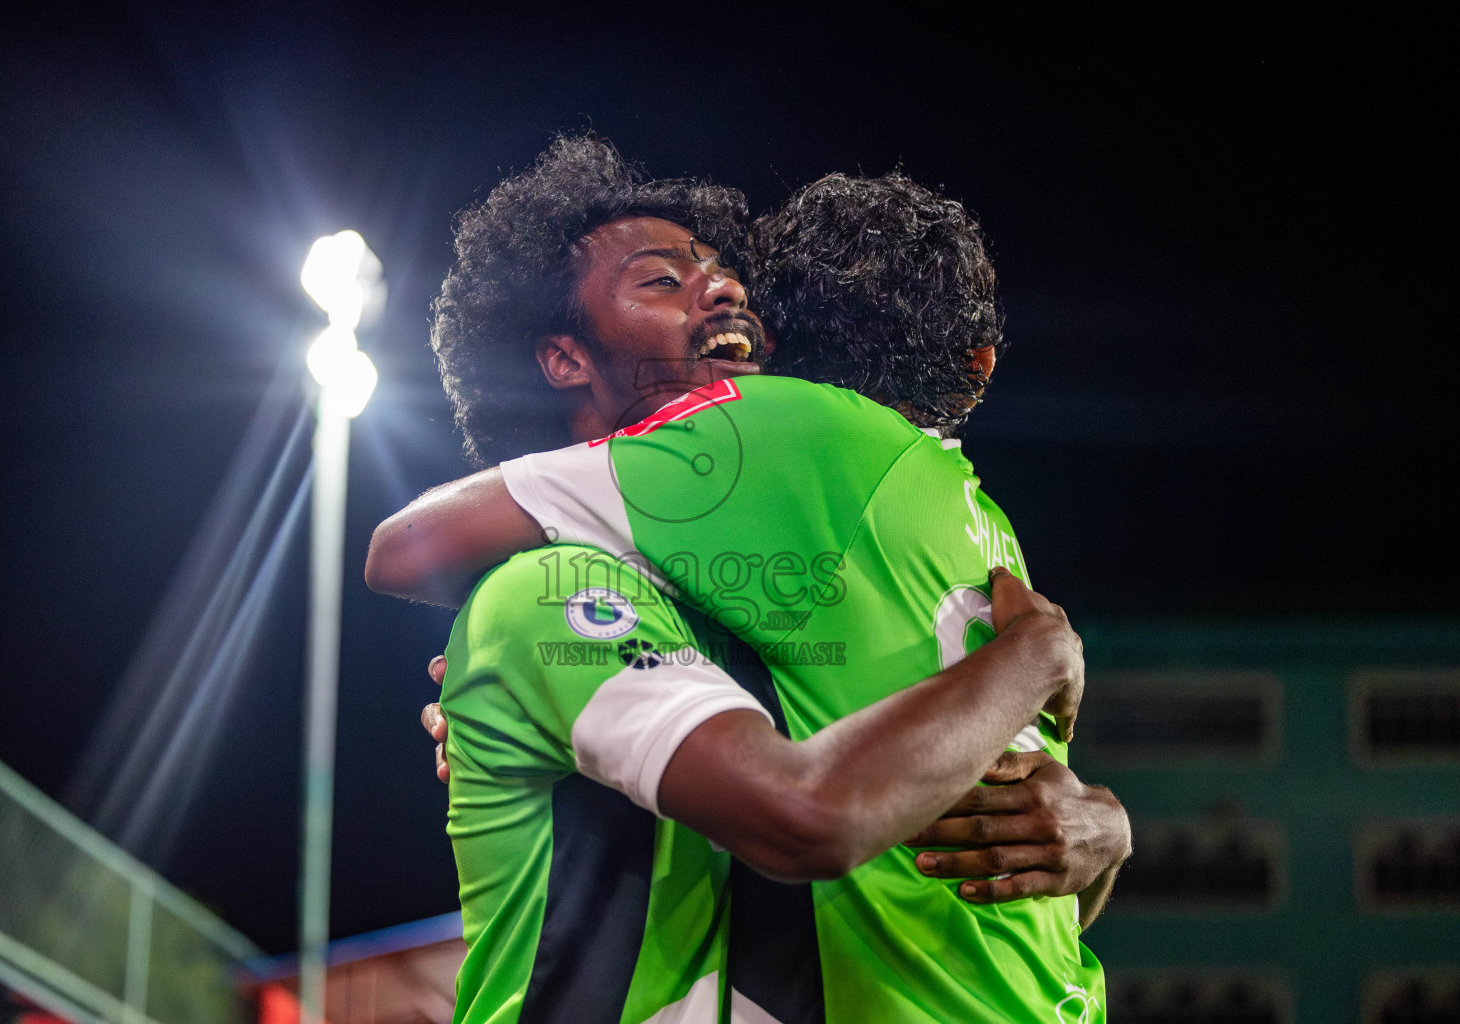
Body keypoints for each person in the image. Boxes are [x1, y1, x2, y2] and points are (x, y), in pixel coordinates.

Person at [368, 138, 1127, 1022]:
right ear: (565, 357)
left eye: (724, 275)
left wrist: (1103, 836)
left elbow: (935, 856)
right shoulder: (555, 587)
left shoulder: (755, 594)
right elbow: (812, 814)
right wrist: (1033, 657)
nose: (723, 290)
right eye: (661, 281)